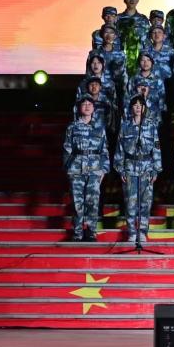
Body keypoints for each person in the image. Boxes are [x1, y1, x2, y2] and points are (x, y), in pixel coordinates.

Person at [113, 95, 161, 243]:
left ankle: (143, 231)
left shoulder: (151, 126)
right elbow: (119, 150)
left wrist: (156, 170)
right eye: (135, 105)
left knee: (145, 203)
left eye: (141, 104)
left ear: (144, 108)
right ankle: (132, 232)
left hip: (147, 168)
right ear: (131, 108)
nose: (138, 107)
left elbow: (156, 149)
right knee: (130, 202)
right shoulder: (125, 126)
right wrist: (120, 169)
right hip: (130, 168)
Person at [63, 97, 109, 242]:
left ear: (94, 108)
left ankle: (91, 232)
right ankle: (77, 232)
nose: (87, 106)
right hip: (76, 168)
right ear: (79, 108)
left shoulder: (100, 128)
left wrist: (104, 170)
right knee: (77, 202)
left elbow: (104, 151)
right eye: (84, 104)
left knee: (93, 202)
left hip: (95, 169)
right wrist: (68, 169)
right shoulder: (72, 127)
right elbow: (67, 149)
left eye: (90, 104)